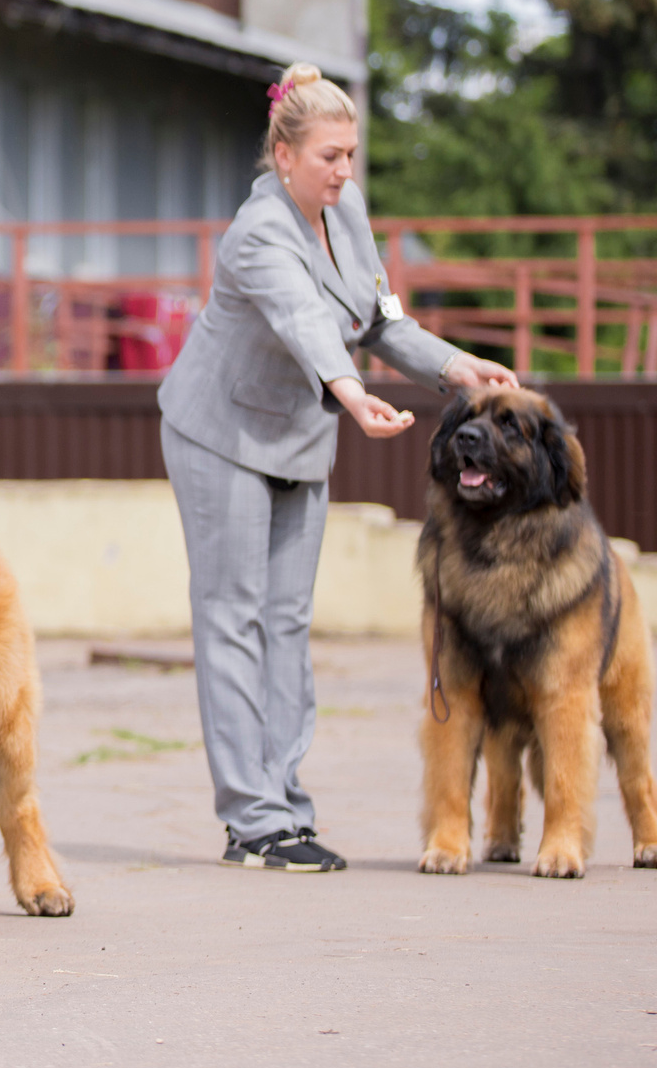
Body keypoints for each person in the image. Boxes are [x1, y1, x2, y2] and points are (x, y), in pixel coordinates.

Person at [157, 62, 517, 871]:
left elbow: (377, 314)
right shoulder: (259, 234)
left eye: (351, 154)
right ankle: (250, 822)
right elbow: (308, 324)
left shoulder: (343, 210)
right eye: (329, 156)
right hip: (223, 434)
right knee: (233, 615)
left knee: (286, 620)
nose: (345, 171)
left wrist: (458, 366)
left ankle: (287, 804)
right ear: (283, 157)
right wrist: (354, 398)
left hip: (298, 436)